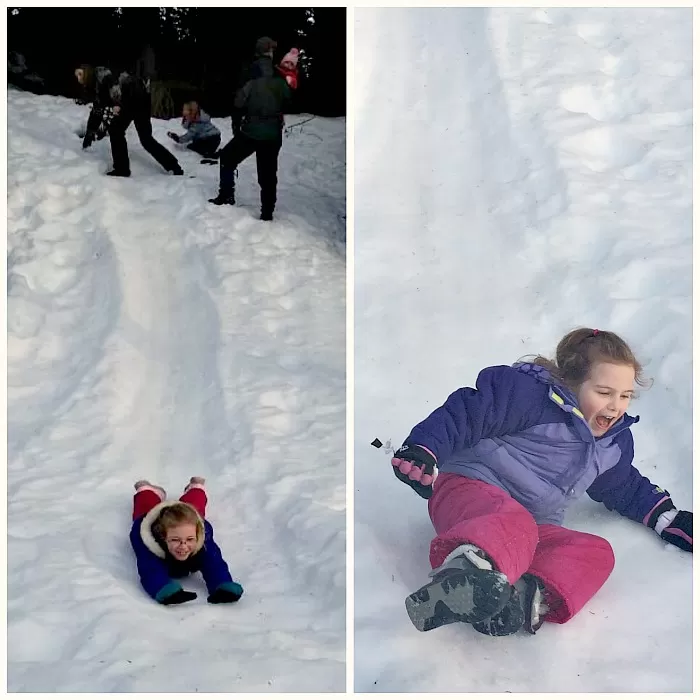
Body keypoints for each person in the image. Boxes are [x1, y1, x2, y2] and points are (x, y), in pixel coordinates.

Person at [390, 328, 692, 636]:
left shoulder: (612, 444)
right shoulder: (529, 397)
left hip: (527, 528)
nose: (615, 406)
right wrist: (424, 450)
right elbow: (467, 413)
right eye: (604, 393)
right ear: (573, 382)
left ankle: (519, 597)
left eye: (625, 395)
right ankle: (462, 575)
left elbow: (625, 486)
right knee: (513, 522)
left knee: (596, 552)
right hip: (469, 491)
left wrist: (667, 517)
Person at [208, 36, 295, 221]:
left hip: (250, 131)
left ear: (257, 52)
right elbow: (288, 100)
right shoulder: (280, 74)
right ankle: (267, 213)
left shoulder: (248, 73)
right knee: (268, 173)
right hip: (272, 133)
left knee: (227, 158)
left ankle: (226, 195)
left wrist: (235, 125)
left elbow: (238, 102)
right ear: (270, 52)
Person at [130, 476, 244, 605]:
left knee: (195, 505)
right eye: (175, 540)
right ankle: (146, 489)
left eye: (189, 539)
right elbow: (150, 570)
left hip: (187, 517)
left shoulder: (203, 538)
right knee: (146, 504)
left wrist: (222, 584)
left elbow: (214, 563)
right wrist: (163, 589)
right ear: (162, 537)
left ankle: (196, 487)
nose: (183, 546)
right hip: (153, 519)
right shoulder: (148, 543)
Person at [75, 64, 183, 177]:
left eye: (80, 74)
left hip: (133, 98)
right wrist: (90, 133)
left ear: (87, 72)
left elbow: (114, 88)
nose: (78, 78)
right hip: (141, 97)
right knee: (145, 139)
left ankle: (122, 169)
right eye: (76, 75)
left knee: (116, 131)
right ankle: (174, 166)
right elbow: (97, 110)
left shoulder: (102, 76)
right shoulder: (95, 86)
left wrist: (116, 104)